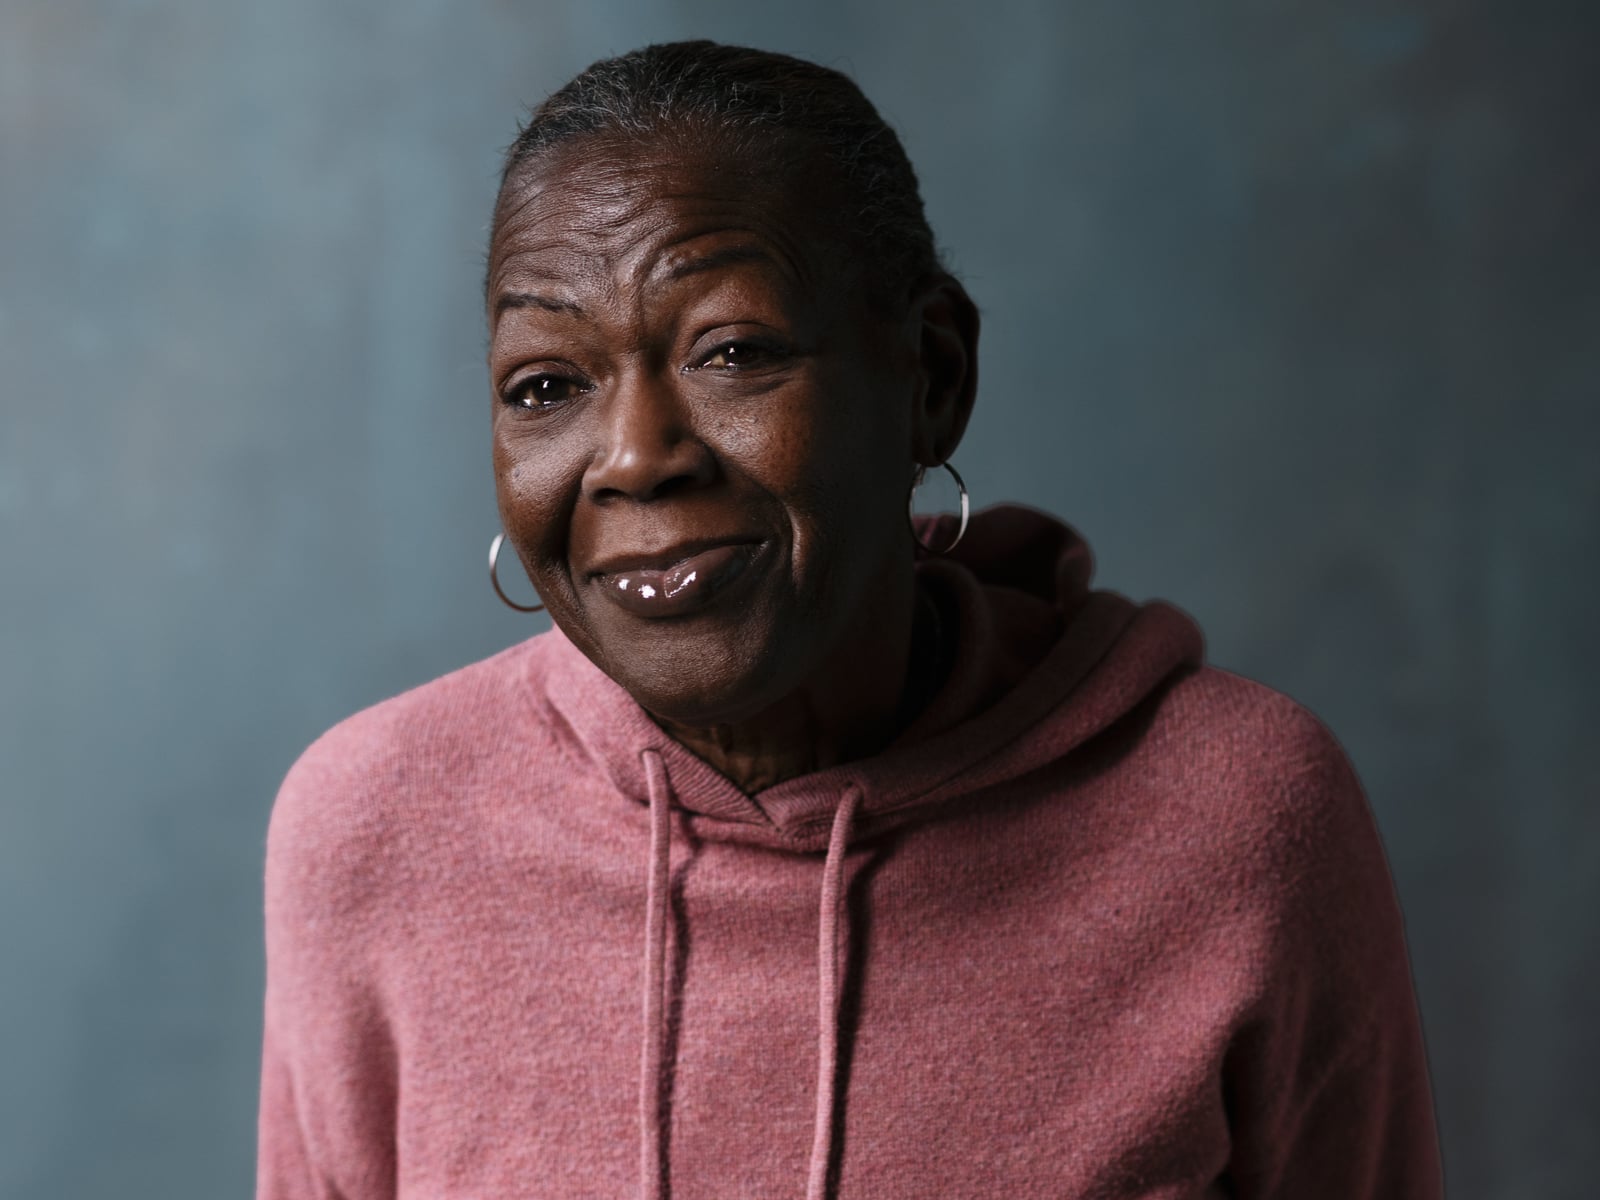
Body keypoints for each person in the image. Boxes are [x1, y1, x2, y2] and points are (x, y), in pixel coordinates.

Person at [256, 40, 1443, 1200]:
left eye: (731, 352)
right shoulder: (375, 827)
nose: (634, 460)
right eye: (546, 387)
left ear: (930, 378)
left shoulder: (1236, 817)